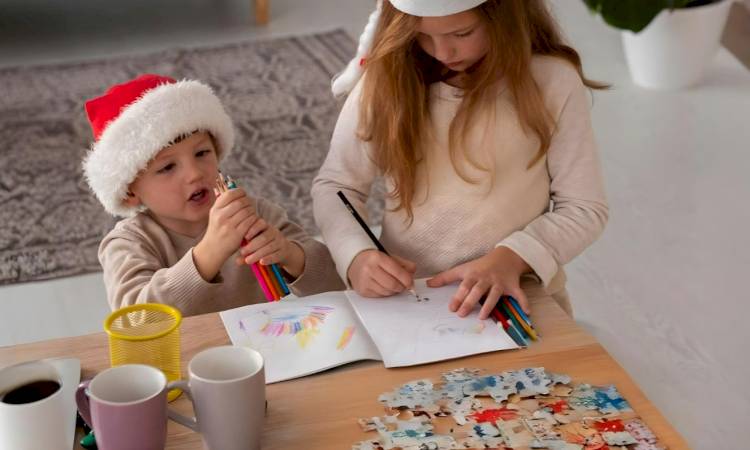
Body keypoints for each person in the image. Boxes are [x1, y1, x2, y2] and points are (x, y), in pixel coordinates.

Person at [312, 0, 608, 319]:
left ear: (505, 16)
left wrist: (512, 257)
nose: (443, 52)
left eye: (462, 33)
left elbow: (583, 208)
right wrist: (355, 255)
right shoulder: (386, 81)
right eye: (422, 35)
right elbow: (336, 186)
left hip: (516, 297)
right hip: (408, 300)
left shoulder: (552, 81)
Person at [83, 74, 344, 316]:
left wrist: (289, 254)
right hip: (181, 361)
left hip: (262, 351)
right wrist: (209, 252)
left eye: (202, 154)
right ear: (130, 192)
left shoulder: (254, 213)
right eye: (167, 167)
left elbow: (337, 282)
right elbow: (137, 321)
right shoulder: (129, 242)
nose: (195, 174)